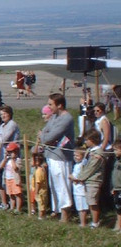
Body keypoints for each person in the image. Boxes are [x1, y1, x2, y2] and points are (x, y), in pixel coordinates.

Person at [37, 93, 76, 222]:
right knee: (54, 185)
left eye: (50, 104)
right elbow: (45, 130)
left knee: (62, 185)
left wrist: (43, 137)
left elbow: (48, 137)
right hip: (51, 155)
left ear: (59, 105)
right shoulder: (54, 116)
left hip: (61, 157)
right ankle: (57, 210)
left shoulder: (66, 119)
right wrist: (44, 136)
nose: (49, 107)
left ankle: (66, 213)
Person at [3, 143, 23, 214]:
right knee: (10, 194)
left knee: (17, 194)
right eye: (9, 152)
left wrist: (12, 159)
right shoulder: (7, 160)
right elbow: (1, 166)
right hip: (8, 179)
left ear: (16, 152)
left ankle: (18, 208)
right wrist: (5, 159)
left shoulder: (18, 160)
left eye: (11, 152)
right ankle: (12, 207)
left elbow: (15, 168)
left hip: (15, 180)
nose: (10, 154)